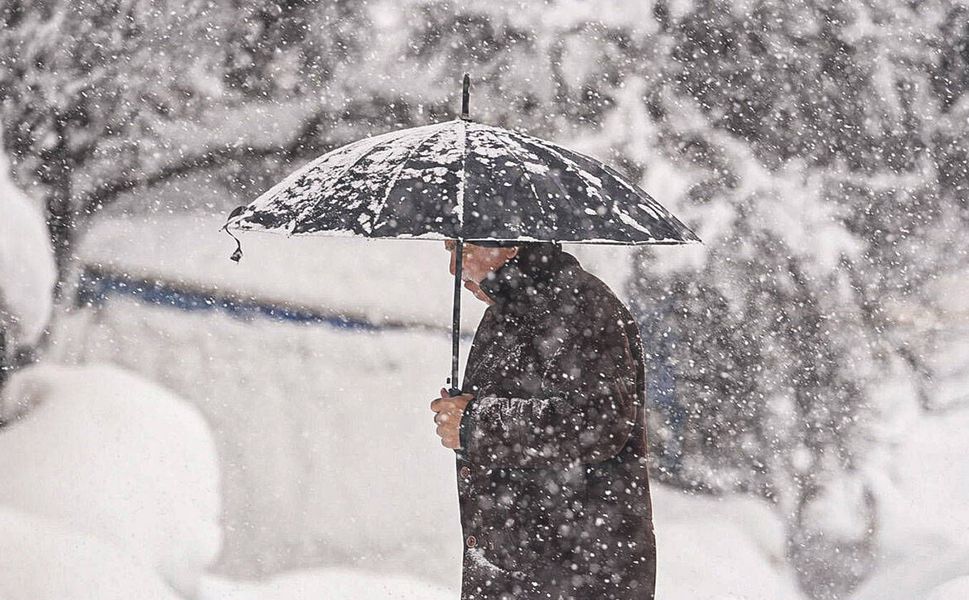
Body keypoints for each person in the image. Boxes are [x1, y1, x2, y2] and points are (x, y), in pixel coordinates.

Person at [430, 240, 656, 600]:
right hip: (516, 571)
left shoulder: (581, 306)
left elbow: (596, 423)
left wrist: (475, 423)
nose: (455, 269)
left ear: (509, 245)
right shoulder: (509, 313)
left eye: (462, 250)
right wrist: (464, 415)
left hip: (577, 574)